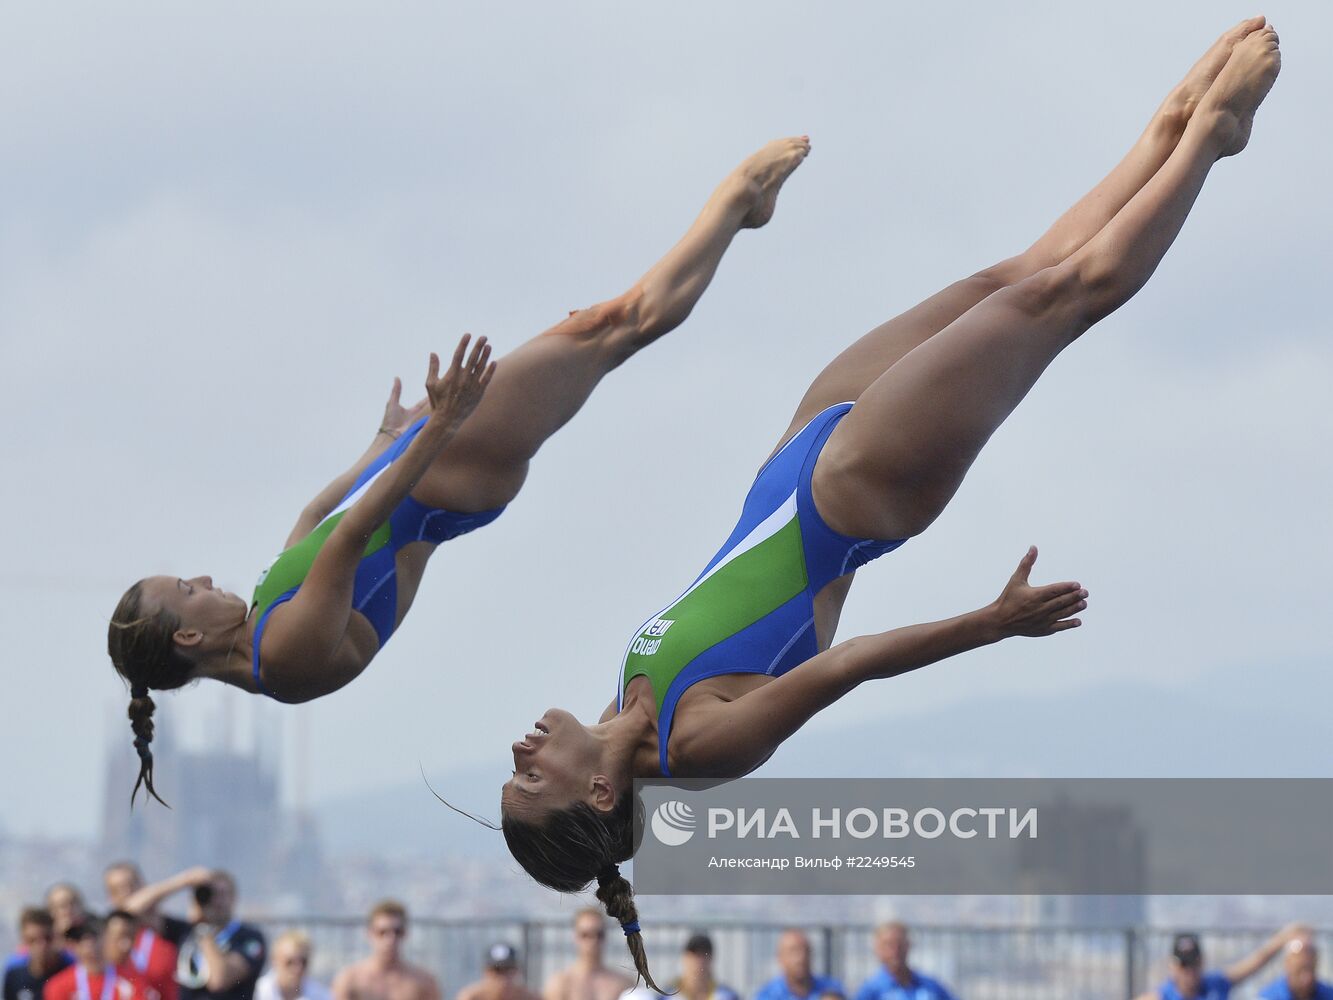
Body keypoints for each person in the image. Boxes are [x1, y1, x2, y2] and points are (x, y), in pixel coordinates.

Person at [498, 17, 1284, 988]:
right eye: (531, 775)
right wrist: (988, 623)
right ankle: (1211, 139)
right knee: (1058, 301)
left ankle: (1164, 127)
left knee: (999, 279)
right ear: (601, 789)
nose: (522, 748)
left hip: (794, 459)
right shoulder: (696, 745)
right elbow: (854, 665)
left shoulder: (624, 698)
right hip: (854, 500)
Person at [105, 134, 812, 807]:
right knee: (610, 328)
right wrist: (438, 428)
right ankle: (740, 198)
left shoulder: (261, 626)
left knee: (594, 328)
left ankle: (740, 209)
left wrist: (379, 442)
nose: (199, 579)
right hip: (443, 474)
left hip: (415, 462)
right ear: (186, 637)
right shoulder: (281, 659)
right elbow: (352, 537)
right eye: (185, 589)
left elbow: (311, 526)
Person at [1132, 926, 1310, 1000]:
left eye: (1194, 963)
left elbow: (1255, 962)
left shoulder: (1216, 985)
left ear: (1201, 962)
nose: (1189, 971)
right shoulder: (1161, 997)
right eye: (1184, 965)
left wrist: (1284, 938)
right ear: (1173, 966)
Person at [165, 872, 266, 1000]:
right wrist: (182, 881)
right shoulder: (186, 931)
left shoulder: (250, 938)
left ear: (233, 898)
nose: (216, 901)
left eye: (222, 894)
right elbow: (134, 912)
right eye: (211, 894)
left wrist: (204, 928)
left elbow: (219, 980)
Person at [331, 901, 440, 1000]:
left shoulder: (423, 982)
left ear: (405, 934)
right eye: (382, 932)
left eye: (397, 932)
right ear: (370, 934)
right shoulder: (350, 981)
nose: (390, 939)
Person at [104, 864, 183, 1000]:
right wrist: (185, 880)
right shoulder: (105, 932)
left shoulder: (169, 928)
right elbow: (129, 909)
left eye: (132, 885)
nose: (127, 892)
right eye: (118, 889)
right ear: (110, 896)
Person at [541, 910, 631, 1000]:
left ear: (605, 936)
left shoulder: (623, 985)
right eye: (585, 935)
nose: (593, 941)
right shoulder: (560, 984)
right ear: (575, 937)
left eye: (599, 934)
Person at [853, 923, 956, 1000]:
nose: (895, 951)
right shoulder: (871, 990)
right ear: (878, 949)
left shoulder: (931, 986)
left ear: (908, 946)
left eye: (900, 944)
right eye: (889, 945)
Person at [43, 921, 139, 1000]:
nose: (88, 945)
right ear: (71, 945)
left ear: (106, 937)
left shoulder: (131, 981)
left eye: (94, 936)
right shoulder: (58, 985)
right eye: (79, 939)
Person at [3, 910, 72, 1000]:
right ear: (24, 941)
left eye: (47, 938)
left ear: (56, 936)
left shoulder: (73, 972)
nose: (41, 946)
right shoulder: (14, 976)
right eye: (32, 940)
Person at [754, 931, 842, 1000]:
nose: (800, 958)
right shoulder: (769, 995)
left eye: (805, 951)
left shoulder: (831, 990)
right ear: (780, 958)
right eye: (793, 951)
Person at [254, 932, 330, 1000]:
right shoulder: (256, 993)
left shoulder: (321, 995)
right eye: (290, 962)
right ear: (274, 960)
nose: (297, 969)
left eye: (303, 962)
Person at [454, 944, 539, 1000]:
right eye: (498, 970)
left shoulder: (530, 997)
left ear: (518, 971)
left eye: (509, 969)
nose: (504, 977)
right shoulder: (471, 997)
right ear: (486, 972)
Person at [1259, 938, 1333, 1000]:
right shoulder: (1268, 997)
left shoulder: (1329, 995)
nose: (1307, 978)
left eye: (1311, 970)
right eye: (1299, 971)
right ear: (1287, 966)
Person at [670, 934, 737, 1000]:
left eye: (704, 955)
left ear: (712, 958)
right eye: (695, 955)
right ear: (685, 958)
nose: (700, 961)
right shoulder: (668, 996)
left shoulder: (728, 996)